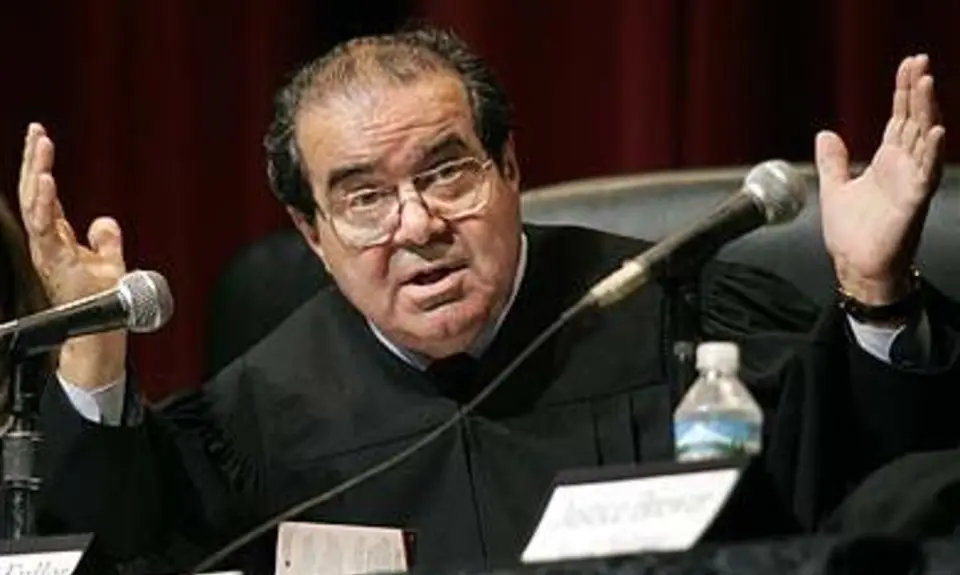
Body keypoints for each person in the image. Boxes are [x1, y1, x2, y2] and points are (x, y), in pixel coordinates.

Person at [15, 26, 959, 574]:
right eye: (364, 197)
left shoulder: (678, 311)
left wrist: (874, 292)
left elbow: (874, 498)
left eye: (448, 172)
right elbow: (121, 554)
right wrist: (91, 355)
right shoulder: (257, 415)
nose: (417, 223)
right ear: (312, 232)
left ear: (509, 168)